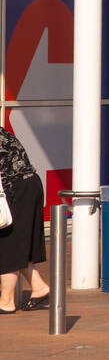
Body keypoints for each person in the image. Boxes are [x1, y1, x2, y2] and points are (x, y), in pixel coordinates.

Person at [0, 126, 49, 314]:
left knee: (8, 244)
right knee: (18, 244)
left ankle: (6, 300)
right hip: (28, 186)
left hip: (18, 189)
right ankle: (39, 287)